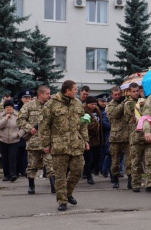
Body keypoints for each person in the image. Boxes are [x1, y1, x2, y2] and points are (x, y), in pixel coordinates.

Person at [39, 80, 90, 212]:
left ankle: (68, 193)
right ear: (67, 90)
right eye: (75, 89)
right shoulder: (51, 104)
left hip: (76, 144)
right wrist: (45, 144)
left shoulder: (78, 103)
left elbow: (83, 123)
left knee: (78, 170)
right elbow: (44, 126)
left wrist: (85, 140)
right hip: (59, 144)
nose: (77, 91)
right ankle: (62, 200)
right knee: (60, 175)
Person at [17, 85, 55, 194]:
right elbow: (20, 120)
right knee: (32, 166)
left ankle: (53, 186)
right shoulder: (29, 106)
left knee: (50, 165)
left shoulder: (50, 106)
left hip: (47, 142)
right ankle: (31, 186)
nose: (49, 95)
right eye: (47, 93)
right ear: (40, 94)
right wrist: (30, 128)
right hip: (33, 142)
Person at [124, 83, 151, 192]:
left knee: (150, 161)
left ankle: (150, 183)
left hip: (147, 135)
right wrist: (142, 102)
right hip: (136, 136)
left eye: (138, 91)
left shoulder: (145, 101)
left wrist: (144, 99)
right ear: (129, 92)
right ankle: (135, 184)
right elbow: (139, 116)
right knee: (136, 162)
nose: (136, 93)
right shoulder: (128, 103)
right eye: (134, 91)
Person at [106, 86, 131, 189]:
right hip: (115, 137)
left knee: (129, 160)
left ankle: (130, 180)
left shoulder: (126, 103)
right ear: (112, 95)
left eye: (119, 94)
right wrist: (123, 104)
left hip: (127, 136)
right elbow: (115, 114)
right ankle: (115, 179)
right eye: (115, 95)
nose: (117, 96)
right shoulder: (110, 105)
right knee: (115, 161)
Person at [0, 100, 24, 182]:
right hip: (3, 140)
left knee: (12, 158)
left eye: (10, 107)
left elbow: (23, 127)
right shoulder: (1, 115)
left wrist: (19, 134)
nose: (9, 109)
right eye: (7, 107)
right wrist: (6, 118)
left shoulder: (18, 115)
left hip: (14, 140)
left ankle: (13, 174)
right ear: (4, 108)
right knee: (5, 158)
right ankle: (6, 175)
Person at [82, 95, 103, 185]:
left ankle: (86, 171)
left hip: (97, 139)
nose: (94, 105)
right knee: (88, 159)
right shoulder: (83, 111)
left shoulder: (97, 110)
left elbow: (100, 124)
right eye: (92, 104)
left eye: (95, 104)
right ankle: (89, 176)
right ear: (87, 104)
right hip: (88, 138)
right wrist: (95, 125)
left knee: (97, 158)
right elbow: (84, 125)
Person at [16, 90, 33, 178]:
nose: (27, 100)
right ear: (21, 99)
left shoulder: (33, 108)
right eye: (25, 98)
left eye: (29, 98)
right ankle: (16, 170)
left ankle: (24, 170)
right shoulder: (17, 108)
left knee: (26, 153)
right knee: (19, 151)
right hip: (18, 133)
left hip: (30, 133)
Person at [97, 93, 111, 178]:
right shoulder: (97, 109)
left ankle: (104, 170)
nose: (103, 103)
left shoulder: (106, 109)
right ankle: (103, 169)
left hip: (106, 135)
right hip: (101, 135)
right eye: (102, 101)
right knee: (105, 153)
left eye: (105, 101)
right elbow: (103, 123)